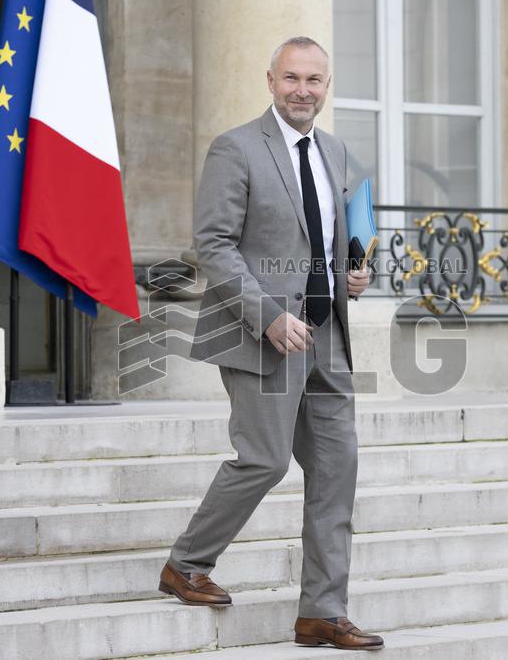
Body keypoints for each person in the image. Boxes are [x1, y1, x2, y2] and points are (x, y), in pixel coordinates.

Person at [158, 36, 383, 652]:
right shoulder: (235, 148)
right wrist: (268, 318)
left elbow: (329, 238)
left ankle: (322, 614)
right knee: (264, 459)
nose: (302, 90)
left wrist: (352, 273)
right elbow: (214, 245)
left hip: (327, 335)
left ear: (326, 86)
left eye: (313, 80)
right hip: (261, 335)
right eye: (291, 78)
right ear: (270, 80)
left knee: (336, 469)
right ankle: (186, 563)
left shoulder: (334, 151)